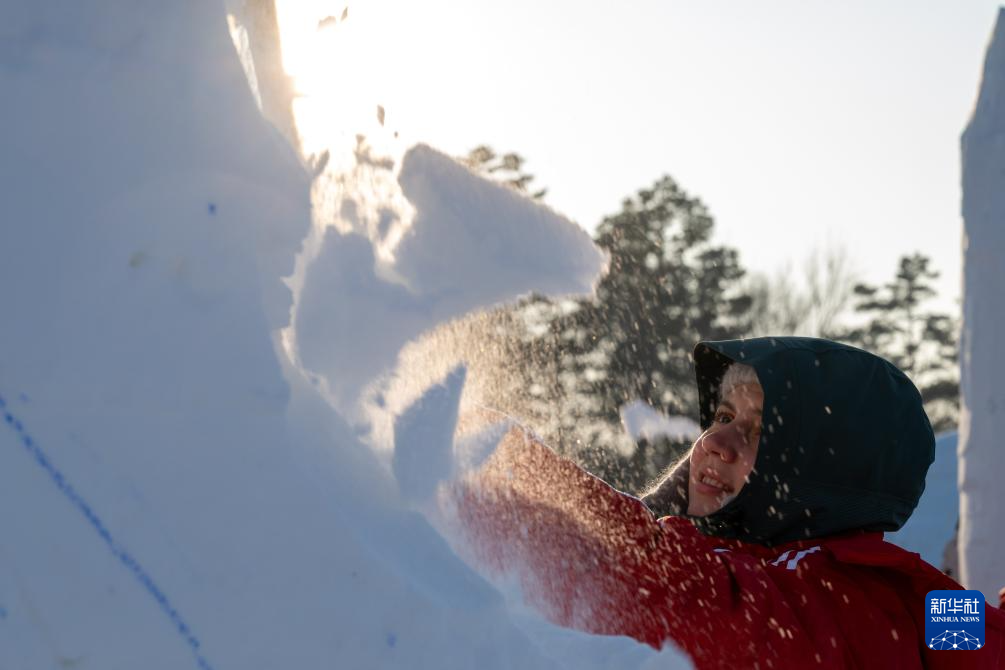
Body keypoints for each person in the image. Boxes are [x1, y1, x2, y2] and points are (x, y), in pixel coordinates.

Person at [454, 337, 1005, 669]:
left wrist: (509, 467)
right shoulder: (919, 604)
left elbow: (677, 592)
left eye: (759, 431)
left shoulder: (820, 602)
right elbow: (988, 643)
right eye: (721, 418)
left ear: (825, 469)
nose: (717, 442)